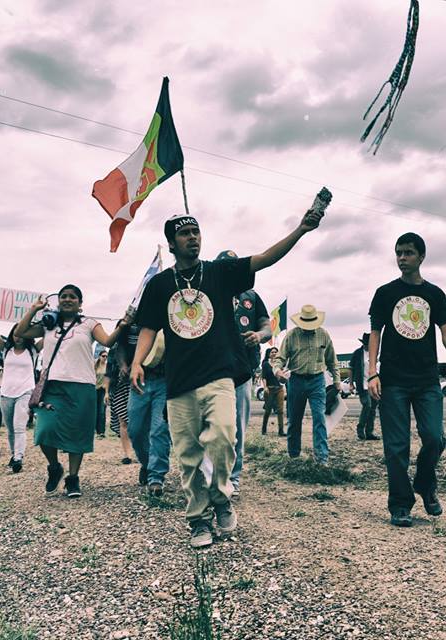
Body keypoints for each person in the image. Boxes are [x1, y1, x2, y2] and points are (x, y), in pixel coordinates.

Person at [131, 207, 324, 548]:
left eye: (196, 232)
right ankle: (198, 521)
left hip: (219, 375)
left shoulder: (220, 273)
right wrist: (137, 363)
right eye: (185, 234)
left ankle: (221, 497)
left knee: (222, 438)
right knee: (188, 455)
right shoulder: (160, 285)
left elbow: (265, 258)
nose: (193, 238)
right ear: (171, 243)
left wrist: (301, 229)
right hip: (179, 383)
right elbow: (147, 327)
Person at [368, 232, 446, 528]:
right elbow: (376, 333)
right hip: (393, 380)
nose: (402, 258)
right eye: (398, 252)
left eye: (408, 253)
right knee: (396, 447)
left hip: (427, 379)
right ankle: (400, 504)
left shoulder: (435, 294)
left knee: (435, 438)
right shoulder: (385, 292)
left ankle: (424, 484)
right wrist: (372, 371)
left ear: (421, 256)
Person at [15, 286, 129, 498]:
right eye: (64, 296)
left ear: (80, 302)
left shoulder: (89, 324)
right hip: (52, 386)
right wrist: (34, 309)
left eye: (72, 297)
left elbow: (107, 341)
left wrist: (122, 327)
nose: (68, 300)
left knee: (78, 433)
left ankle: (73, 478)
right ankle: (54, 467)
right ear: (58, 301)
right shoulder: (49, 323)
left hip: (81, 385)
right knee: (44, 431)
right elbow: (20, 333)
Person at [216, 249, 271, 497]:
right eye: (224, 266)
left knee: (237, 426)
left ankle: (233, 478)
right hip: (213, 369)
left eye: (233, 265)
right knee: (215, 426)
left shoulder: (252, 296)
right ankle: (212, 475)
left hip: (243, 369)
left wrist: (258, 336)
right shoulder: (209, 293)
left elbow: (267, 327)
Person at [271, 304, 340, 464]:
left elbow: (332, 360)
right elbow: (280, 358)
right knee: (294, 419)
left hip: (317, 381)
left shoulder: (323, 335)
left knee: (319, 419)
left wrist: (337, 380)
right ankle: (294, 456)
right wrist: (277, 371)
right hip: (296, 380)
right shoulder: (292, 336)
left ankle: (321, 459)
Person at [0, 318, 41, 473]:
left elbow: (48, 337)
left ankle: (19, 457)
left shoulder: (33, 350)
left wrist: (47, 320)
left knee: (19, 427)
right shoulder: (6, 349)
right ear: (12, 334)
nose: (18, 337)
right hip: (5, 393)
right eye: (16, 334)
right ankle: (13, 454)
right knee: (10, 429)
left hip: (25, 392)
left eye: (22, 333)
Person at [127, 328, 170, 495]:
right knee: (135, 430)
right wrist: (126, 365)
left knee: (159, 429)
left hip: (166, 380)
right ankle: (147, 464)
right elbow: (120, 346)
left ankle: (156, 477)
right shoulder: (133, 320)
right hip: (140, 380)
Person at [108, 322, 138, 465]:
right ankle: (127, 454)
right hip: (120, 385)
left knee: (139, 420)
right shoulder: (114, 348)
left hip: (138, 384)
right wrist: (107, 391)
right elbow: (109, 370)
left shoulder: (142, 342)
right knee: (123, 420)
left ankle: (139, 450)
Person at [349, 332, 378, 440]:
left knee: (373, 409)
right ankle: (360, 428)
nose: (367, 345)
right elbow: (351, 368)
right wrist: (351, 384)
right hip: (362, 385)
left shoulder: (375, 352)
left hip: (374, 385)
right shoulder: (357, 353)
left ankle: (369, 432)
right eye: (365, 343)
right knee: (367, 405)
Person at [260, 347, 285, 437]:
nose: (274, 353)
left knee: (280, 410)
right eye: (272, 352)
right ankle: (263, 430)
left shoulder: (280, 364)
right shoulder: (266, 364)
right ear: (269, 354)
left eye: (276, 352)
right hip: (270, 389)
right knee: (268, 410)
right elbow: (264, 377)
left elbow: (283, 376)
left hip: (279, 389)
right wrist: (265, 387)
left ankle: (281, 431)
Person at [94, 351, 108, 438]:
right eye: (103, 356)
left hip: (103, 390)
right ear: (99, 356)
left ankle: (101, 432)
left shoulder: (107, 367)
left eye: (106, 356)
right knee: (95, 411)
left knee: (102, 411)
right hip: (94, 389)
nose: (105, 358)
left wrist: (107, 392)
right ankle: (94, 430)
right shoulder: (95, 365)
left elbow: (108, 380)